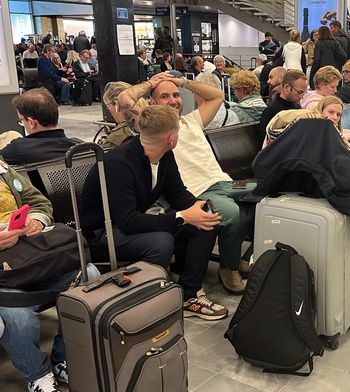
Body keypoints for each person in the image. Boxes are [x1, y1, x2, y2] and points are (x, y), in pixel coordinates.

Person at [81, 105, 228, 321]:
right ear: (171, 138)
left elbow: (178, 193)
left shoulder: (164, 156)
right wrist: (183, 216)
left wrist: (198, 208)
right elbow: (128, 221)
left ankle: (189, 294)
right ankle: (145, 299)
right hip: (102, 233)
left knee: (206, 223)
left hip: (127, 223)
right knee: (161, 241)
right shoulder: (118, 164)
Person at [118, 73, 251, 295]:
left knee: (266, 194)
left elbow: (217, 95)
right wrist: (152, 83)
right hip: (196, 191)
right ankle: (229, 267)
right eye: (164, 96)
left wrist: (182, 82)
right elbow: (125, 98)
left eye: (176, 95)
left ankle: (235, 257)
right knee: (230, 212)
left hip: (223, 182)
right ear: (152, 103)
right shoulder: (152, 126)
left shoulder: (191, 121)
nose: (173, 100)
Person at [0, 160, 91, 392]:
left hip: (30, 256)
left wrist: (37, 221)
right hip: (4, 276)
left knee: (88, 277)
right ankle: (37, 374)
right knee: (18, 317)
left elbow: (39, 201)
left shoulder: (2, 167)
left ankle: (64, 358)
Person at [0, 88, 81, 165]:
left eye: (21, 121)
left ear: (32, 123)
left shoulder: (18, 149)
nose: (22, 123)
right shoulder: (82, 146)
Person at [259, 69, 307, 142]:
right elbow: (265, 141)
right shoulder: (271, 111)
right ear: (287, 87)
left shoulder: (297, 107)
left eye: (304, 93)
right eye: (300, 92)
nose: (302, 96)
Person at [99, 81, 147, 149]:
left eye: (108, 106)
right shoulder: (152, 120)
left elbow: (104, 154)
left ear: (116, 105)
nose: (109, 111)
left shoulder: (119, 134)